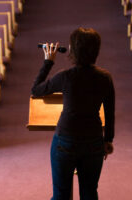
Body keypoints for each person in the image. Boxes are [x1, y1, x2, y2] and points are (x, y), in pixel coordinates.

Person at [31, 27, 115, 200]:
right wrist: (108, 140)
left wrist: (48, 61)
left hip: (65, 141)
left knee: (61, 195)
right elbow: (110, 112)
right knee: (90, 194)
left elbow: (36, 90)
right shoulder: (105, 78)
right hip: (94, 142)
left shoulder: (66, 76)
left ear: (73, 50)